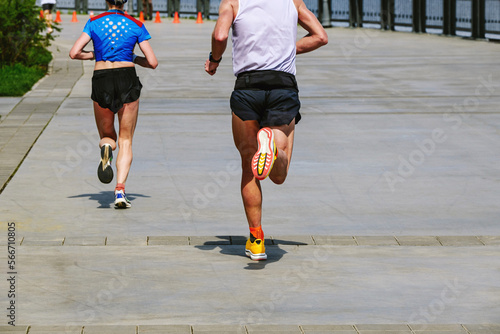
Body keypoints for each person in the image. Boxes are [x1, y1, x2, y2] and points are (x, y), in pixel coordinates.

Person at [205, 0, 327, 260]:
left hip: (247, 88)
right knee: (279, 175)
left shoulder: (233, 2)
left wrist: (215, 59)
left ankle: (256, 239)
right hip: (283, 86)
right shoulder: (292, 2)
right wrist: (285, 50)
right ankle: (271, 143)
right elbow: (320, 36)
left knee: (249, 165)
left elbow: (219, 35)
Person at [69, 0, 158, 208]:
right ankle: (119, 191)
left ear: (106, 1)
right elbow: (152, 62)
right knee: (126, 139)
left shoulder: (94, 22)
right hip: (127, 76)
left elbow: (74, 53)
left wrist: (94, 55)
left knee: (107, 135)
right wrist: (133, 57)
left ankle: (107, 148)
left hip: (101, 78)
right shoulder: (135, 24)